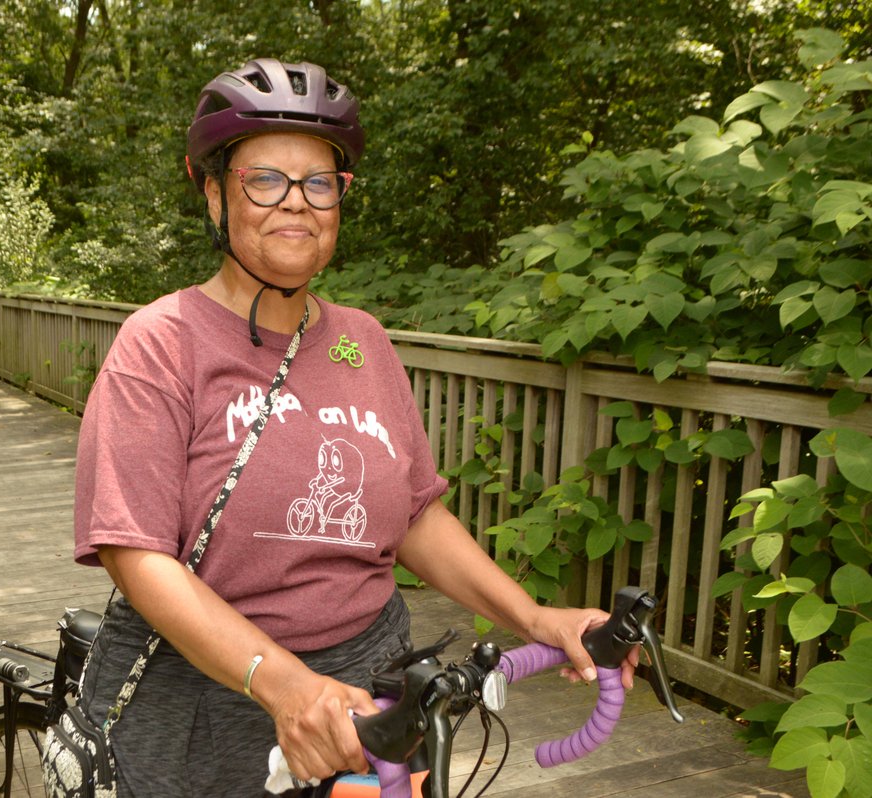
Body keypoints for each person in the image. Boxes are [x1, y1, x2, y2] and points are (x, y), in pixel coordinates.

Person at [72, 57, 638, 797]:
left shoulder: (363, 341)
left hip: (373, 692)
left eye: (319, 183)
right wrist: (286, 688)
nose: (296, 204)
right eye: (265, 179)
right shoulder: (160, 342)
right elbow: (135, 554)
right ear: (213, 193)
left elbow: (413, 515)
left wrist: (535, 617)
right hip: (211, 694)